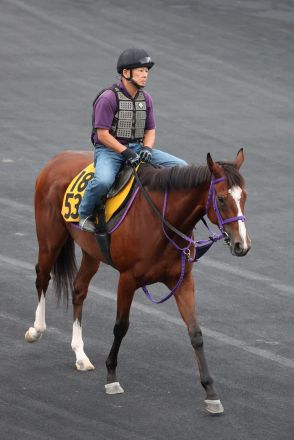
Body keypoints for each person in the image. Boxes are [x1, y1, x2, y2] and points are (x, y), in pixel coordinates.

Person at [79, 47, 187, 232]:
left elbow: (150, 130)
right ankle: (85, 213)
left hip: (137, 148)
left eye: (146, 71)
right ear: (126, 72)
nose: (145, 75)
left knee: (182, 167)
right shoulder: (108, 98)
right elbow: (102, 134)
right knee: (103, 181)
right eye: (141, 71)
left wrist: (147, 148)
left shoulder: (147, 99)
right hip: (110, 151)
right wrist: (125, 152)